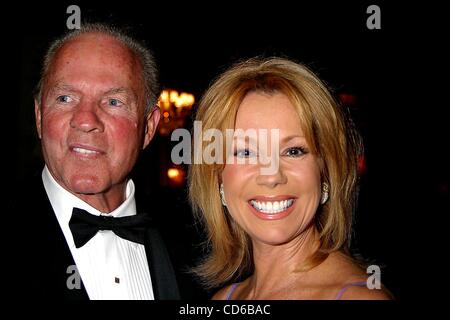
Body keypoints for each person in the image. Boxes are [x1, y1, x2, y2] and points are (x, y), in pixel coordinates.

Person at [188, 57, 392, 299]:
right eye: (245, 152)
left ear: (325, 171)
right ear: (218, 179)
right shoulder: (225, 298)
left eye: (293, 151)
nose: (271, 176)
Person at [9, 23, 179, 300]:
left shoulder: (196, 248)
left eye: (113, 102)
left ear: (148, 128)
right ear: (39, 117)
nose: (86, 121)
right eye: (65, 98)